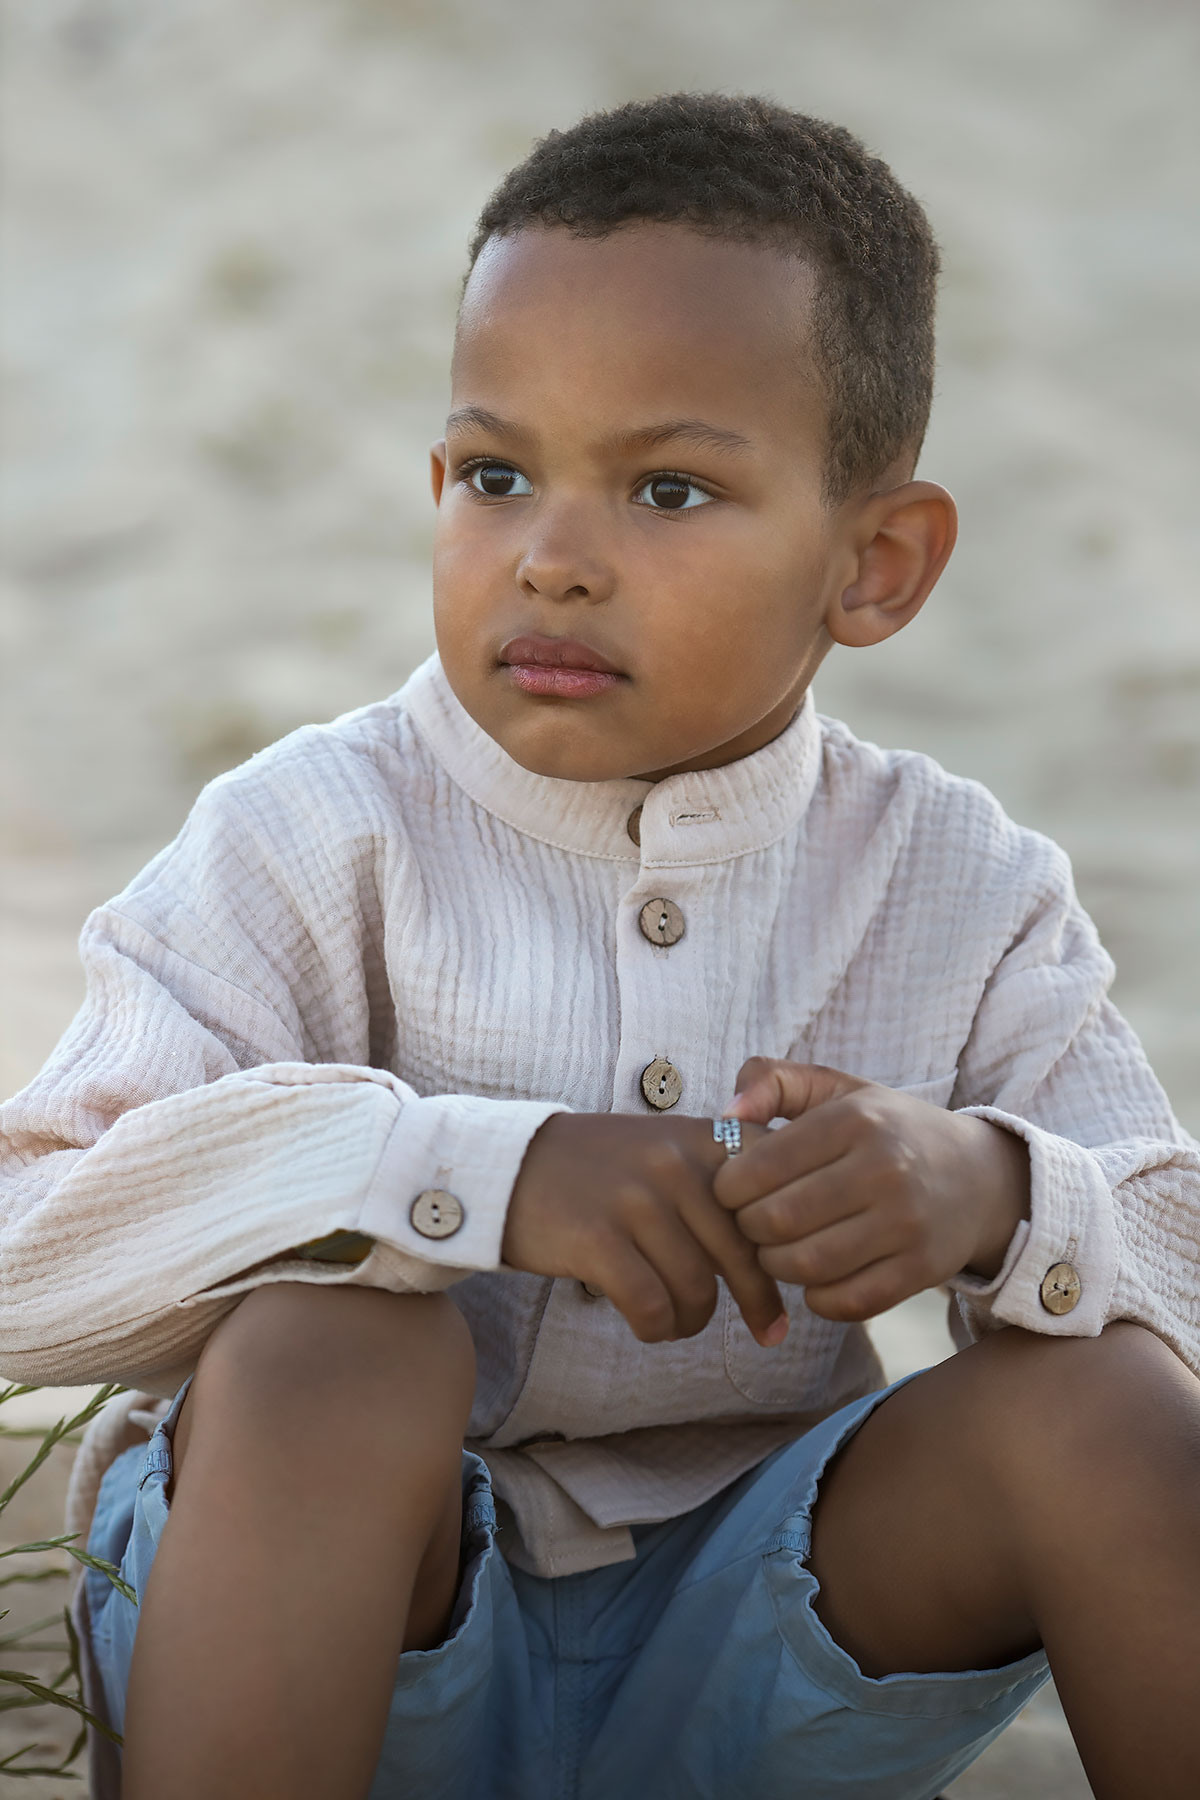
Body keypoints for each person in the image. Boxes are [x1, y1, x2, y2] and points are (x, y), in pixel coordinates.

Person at [1, 92, 1197, 1800]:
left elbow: (1181, 1257)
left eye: (667, 488)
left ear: (876, 564)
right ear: (437, 486)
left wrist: (994, 1192)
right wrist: (466, 1174)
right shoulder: (312, 831)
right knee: (342, 1342)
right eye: (498, 475)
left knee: (1108, 1413)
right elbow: (28, 1245)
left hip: (761, 1661)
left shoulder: (959, 879)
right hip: (346, 1633)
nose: (552, 560)